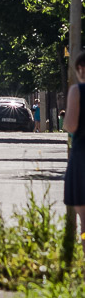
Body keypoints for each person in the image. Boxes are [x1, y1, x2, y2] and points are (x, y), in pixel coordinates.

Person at [65, 53, 85, 235]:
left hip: (82, 157)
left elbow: (70, 125)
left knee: (84, 216)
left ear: (81, 69)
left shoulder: (77, 91)